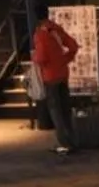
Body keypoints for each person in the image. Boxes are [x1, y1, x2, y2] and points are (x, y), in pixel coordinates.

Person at [30, 11, 80, 153]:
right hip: (63, 74)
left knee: (55, 110)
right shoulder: (56, 29)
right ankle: (73, 140)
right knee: (65, 109)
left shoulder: (40, 34)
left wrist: (34, 58)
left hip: (50, 77)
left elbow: (41, 57)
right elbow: (73, 46)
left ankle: (64, 143)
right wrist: (65, 60)